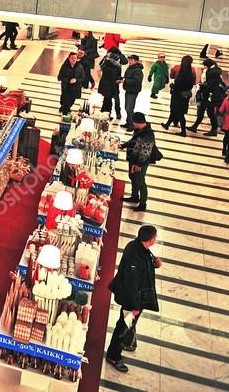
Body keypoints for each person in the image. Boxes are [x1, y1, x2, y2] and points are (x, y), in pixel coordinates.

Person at [106, 225, 161, 373]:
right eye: (155, 237)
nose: (156, 239)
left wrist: (154, 264)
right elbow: (131, 284)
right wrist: (136, 306)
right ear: (150, 239)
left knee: (129, 324)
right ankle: (113, 355)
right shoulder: (135, 257)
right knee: (123, 326)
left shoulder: (136, 245)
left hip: (136, 298)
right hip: (131, 300)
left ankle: (127, 342)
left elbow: (143, 266)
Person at [123, 112, 160, 211]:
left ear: (138, 122)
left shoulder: (148, 135)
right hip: (133, 158)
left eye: (134, 122)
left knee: (140, 181)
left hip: (140, 162)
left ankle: (143, 203)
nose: (133, 123)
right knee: (132, 177)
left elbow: (145, 152)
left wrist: (138, 165)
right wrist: (123, 145)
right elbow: (133, 141)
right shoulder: (138, 130)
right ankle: (134, 196)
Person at [163, 55, 196, 136]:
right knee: (175, 111)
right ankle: (167, 124)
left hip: (178, 96)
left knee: (178, 113)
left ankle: (183, 131)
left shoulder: (181, 74)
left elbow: (177, 86)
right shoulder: (191, 74)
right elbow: (191, 85)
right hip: (185, 96)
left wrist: (172, 86)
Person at [190, 58, 223, 136]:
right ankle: (195, 126)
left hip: (210, 96)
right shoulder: (216, 71)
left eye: (204, 66)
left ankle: (213, 130)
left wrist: (201, 85)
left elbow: (210, 85)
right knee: (203, 110)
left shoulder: (211, 73)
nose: (204, 67)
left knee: (209, 112)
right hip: (212, 95)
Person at [98, 47, 128, 122]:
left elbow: (100, 64)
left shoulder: (106, 60)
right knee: (114, 99)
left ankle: (106, 113)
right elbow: (125, 61)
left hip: (105, 84)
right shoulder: (115, 66)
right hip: (112, 84)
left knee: (107, 99)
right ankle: (114, 113)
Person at [57, 51, 86, 115]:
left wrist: (76, 80)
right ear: (69, 58)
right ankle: (65, 113)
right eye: (72, 58)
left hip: (75, 88)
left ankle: (65, 108)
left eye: (75, 58)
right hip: (66, 87)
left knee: (72, 100)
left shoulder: (80, 67)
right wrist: (68, 80)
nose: (74, 60)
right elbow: (60, 77)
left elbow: (83, 77)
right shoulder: (65, 66)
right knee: (66, 101)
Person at [122, 55, 144, 129]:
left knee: (129, 108)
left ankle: (132, 125)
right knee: (127, 107)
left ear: (136, 61)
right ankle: (128, 122)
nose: (130, 61)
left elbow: (137, 81)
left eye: (132, 60)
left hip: (133, 91)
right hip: (128, 90)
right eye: (129, 60)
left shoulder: (138, 70)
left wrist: (125, 81)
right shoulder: (131, 68)